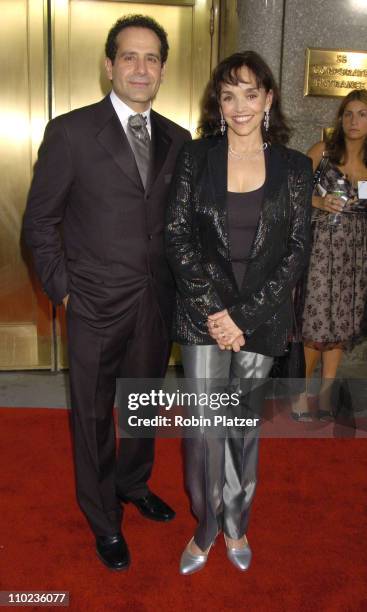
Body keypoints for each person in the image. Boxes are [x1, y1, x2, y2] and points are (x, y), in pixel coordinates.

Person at [23, 14, 191, 571]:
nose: (140, 68)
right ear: (109, 65)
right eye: (129, 57)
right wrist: (66, 292)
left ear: (162, 70)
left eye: (151, 59)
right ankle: (103, 518)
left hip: (154, 303)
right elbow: (40, 224)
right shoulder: (71, 132)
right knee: (92, 416)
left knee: (141, 407)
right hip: (93, 303)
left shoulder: (178, 137)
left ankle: (134, 484)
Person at [165, 50, 313, 574]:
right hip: (204, 317)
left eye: (251, 93)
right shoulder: (195, 157)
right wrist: (215, 311)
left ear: (269, 99)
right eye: (229, 95)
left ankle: (235, 524)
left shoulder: (296, 168)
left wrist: (244, 317)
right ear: (218, 103)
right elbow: (176, 234)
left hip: (261, 318)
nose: (240, 105)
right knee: (205, 427)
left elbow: (297, 251)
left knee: (242, 427)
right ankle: (204, 527)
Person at [300, 89, 367, 420]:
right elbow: (288, 190)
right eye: (349, 114)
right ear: (340, 119)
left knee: (340, 324)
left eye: (362, 114)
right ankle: (300, 395)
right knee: (314, 324)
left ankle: (325, 397)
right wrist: (317, 202)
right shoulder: (323, 152)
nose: (354, 121)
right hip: (321, 250)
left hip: (355, 256)